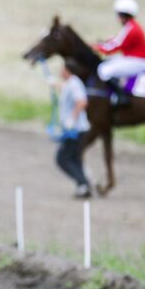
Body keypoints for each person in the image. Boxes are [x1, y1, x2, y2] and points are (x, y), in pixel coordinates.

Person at [94, 0, 145, 106]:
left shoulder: (131, 29)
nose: (117, 18)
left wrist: (95, 47)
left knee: (103, 70)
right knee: (109, 62)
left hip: (137, 61)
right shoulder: (131, 26)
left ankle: (122, 97)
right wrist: (100, 44)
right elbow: (116, 41)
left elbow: (113, 47)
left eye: (118, 15)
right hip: (133, 57)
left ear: (123, 15)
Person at [54, 60, 91, 198]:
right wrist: (54, 84)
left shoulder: (74, 83)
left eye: (62, 69)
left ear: (67, 70)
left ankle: (83, 182)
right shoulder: (71, 83)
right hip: (75, 129)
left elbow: (82, 102)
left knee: (62, 158)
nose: (60, 72)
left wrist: (72, 119)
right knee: (75, 159)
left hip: (76, 130)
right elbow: (65, 88)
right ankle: (83, 185)